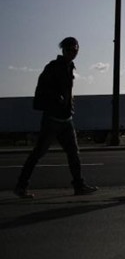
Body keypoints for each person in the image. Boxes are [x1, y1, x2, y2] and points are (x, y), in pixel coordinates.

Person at [14, 37, 98, 198]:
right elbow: (42, 90)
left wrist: (69, 103)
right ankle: (21, 186)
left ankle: (79, 185)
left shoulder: (69, 67)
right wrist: (56, 98)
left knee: (73, 153)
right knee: (38, 153)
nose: (73, 53)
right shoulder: (53, 67)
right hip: (52, 119)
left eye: (76, 50)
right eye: (70, 50)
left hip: (66, 119)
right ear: (63, 50)